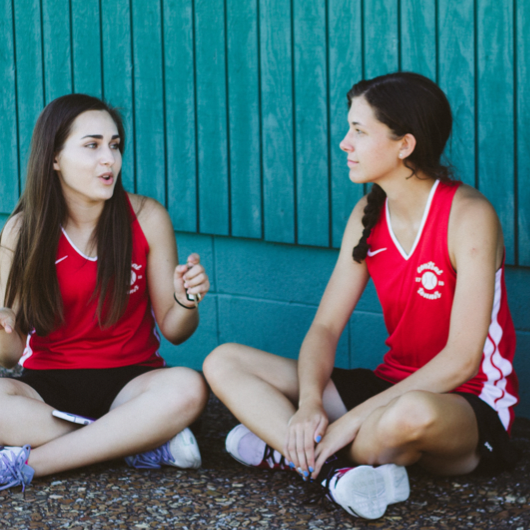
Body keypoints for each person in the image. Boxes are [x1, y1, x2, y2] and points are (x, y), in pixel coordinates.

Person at [203, 72, 519, 520]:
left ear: (404, 145)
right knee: (224, 360)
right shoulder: (368, 215)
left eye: (359, 130)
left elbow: (463, 360)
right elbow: (326, 327)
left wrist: (348, 421)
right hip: (389, 385)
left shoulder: (468, 215)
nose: (344, 143)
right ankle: (334, 470)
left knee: (406, 415)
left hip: (463, 404)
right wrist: (311, 404)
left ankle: (290, 453)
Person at [0, 94, 210, 491]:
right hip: (47, 388)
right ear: (54, 158)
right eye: (92, 145)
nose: (109, 159)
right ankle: (135, 441)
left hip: (132, 385)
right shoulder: (21, 231)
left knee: (189, 386)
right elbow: (8, 356)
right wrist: (4, 326)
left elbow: (176, 330)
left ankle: (30, 463)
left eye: (114, 146)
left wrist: (186, 300)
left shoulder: (147, 217)